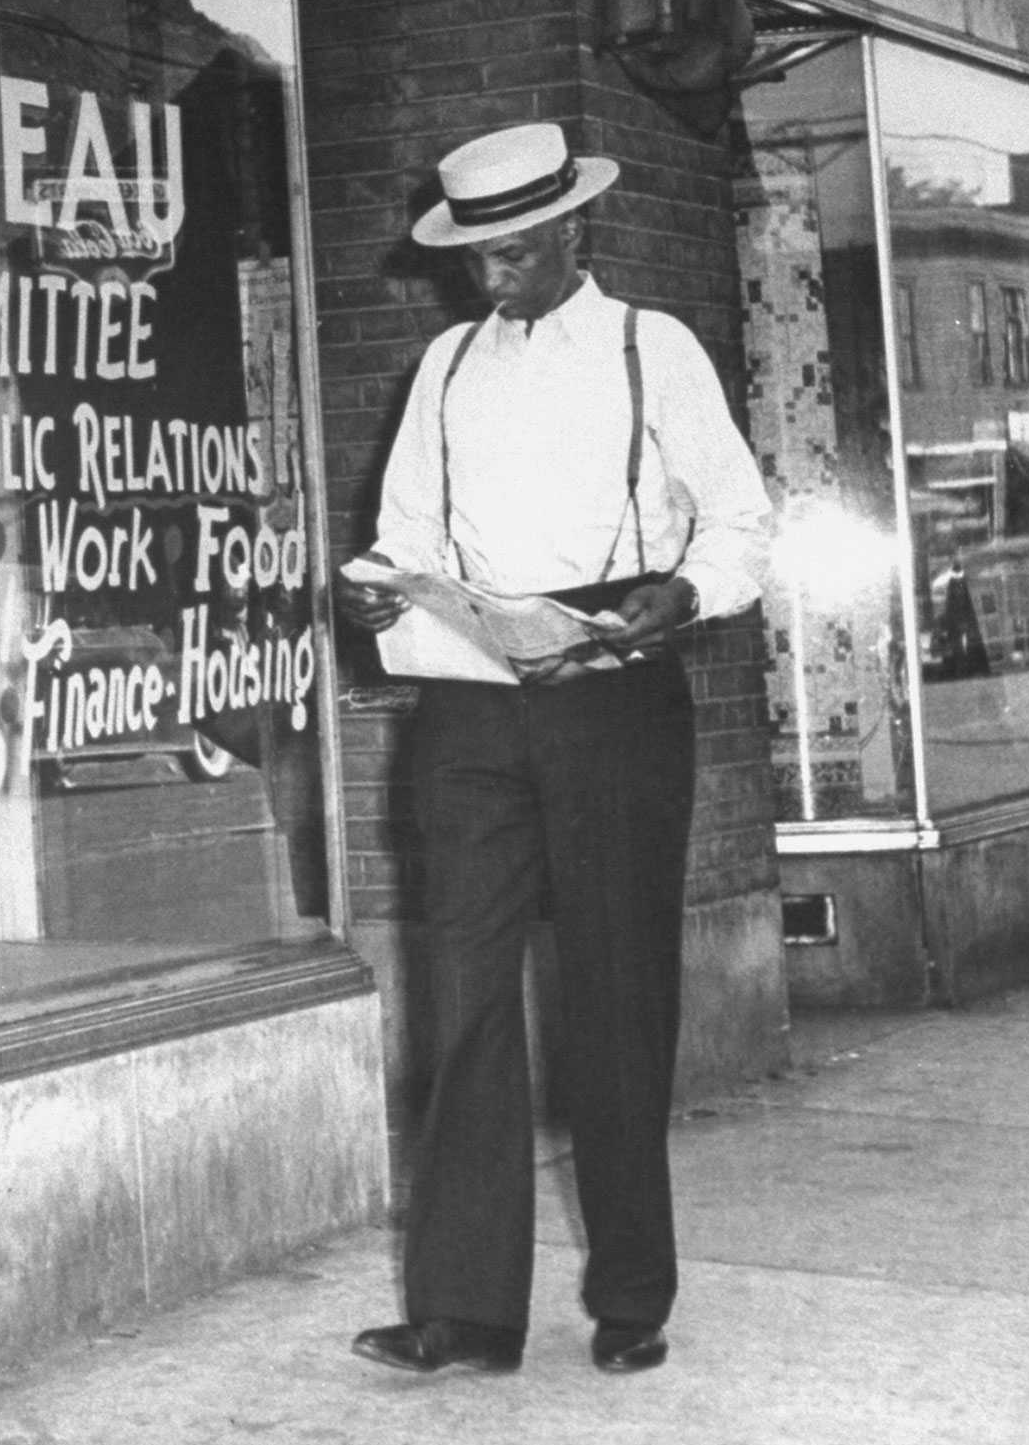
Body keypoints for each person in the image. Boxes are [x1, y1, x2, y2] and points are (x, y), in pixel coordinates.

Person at [333, 123, 770, 1378]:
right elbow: (404, 528)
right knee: (462, 990)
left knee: (615, 990)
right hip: (470, 695)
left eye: (516, 249)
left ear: (574, 226)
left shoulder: (654, 347)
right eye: (477, 255)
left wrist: (679, 599)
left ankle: (631, 1294)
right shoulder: (445, 365)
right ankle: (466, 1308)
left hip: (614, 686)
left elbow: (740, 522)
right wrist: (372, 589)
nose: (495, 275)